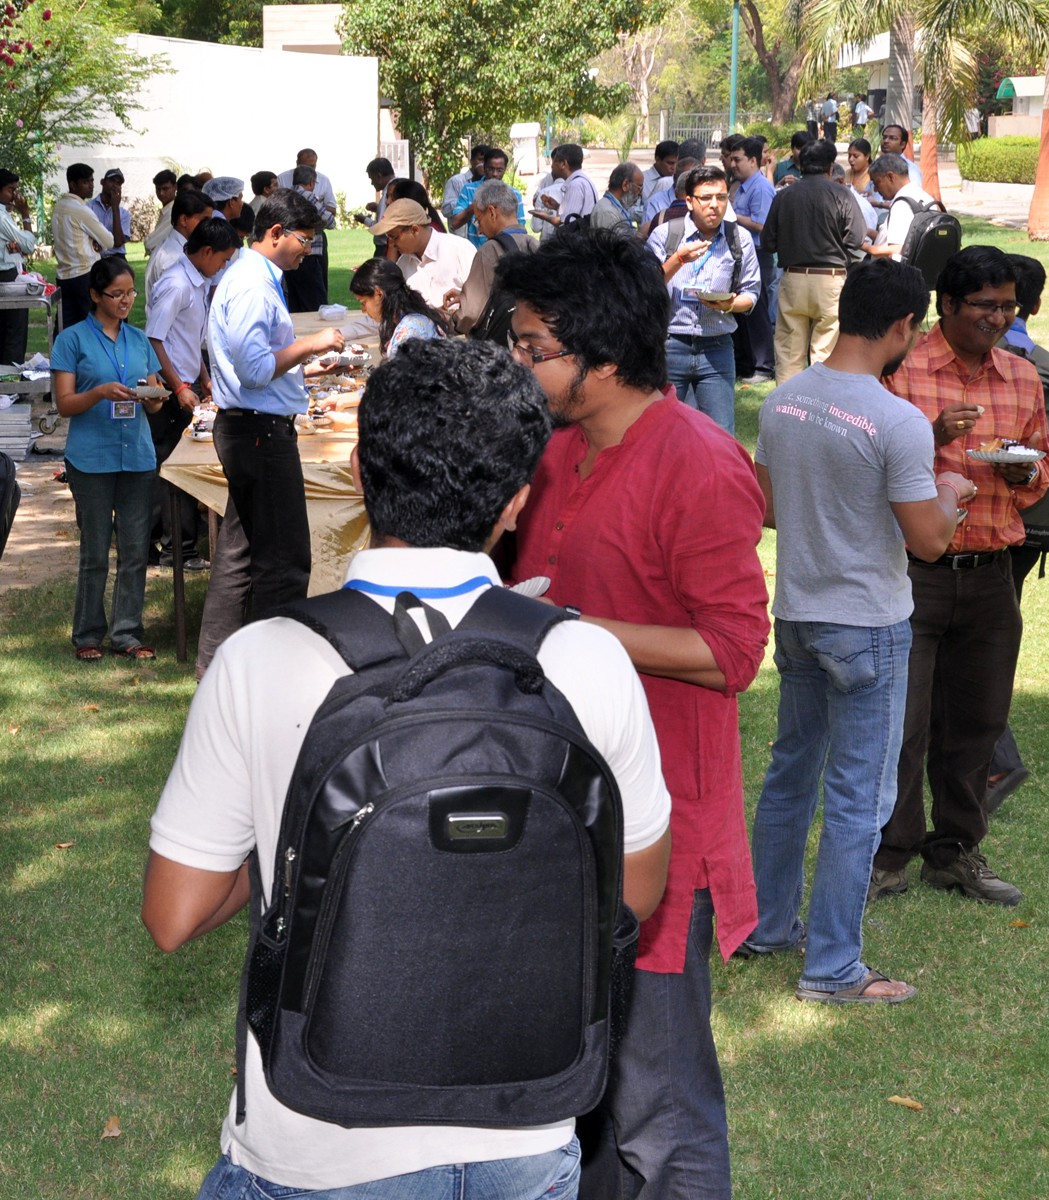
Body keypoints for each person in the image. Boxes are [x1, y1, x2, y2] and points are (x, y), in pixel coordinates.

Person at [143, 337, 672, 1200]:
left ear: (357, 471)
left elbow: (175, 915)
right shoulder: (586, 658)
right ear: (517, 500)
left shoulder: (261, 658)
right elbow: (635, 893)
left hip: (315, 1139)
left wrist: (285, 850)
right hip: (525, 1127)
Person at [504, 226, 769, 1200]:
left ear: (604, 357)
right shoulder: (554, 450)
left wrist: (569, 630)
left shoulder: (699, 462)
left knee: (662, 1108)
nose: (519, 364)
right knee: (581, 1101)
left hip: (656, 826)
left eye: (534, 348)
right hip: (554, 813)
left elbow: (734, 651)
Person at [748, 259, 971, 1007]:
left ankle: (768, 927)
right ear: (904, 327)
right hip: (868, 625)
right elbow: (930, 541)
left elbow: (768, 509)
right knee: (858, 798)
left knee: (790, 776)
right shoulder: (896, 420)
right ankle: (834, 967)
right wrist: (951, 491)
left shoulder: (784, 399)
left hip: (798, 616)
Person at [872, 247, 1049, 908]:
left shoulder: (1021, 375)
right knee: (903, 723)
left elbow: (1044, 463)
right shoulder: (901, 369)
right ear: (947, 304)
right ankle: (890, 856)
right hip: (913, 572)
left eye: (1008, 306)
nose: (999, 318)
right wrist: (929, 435)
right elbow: (869, 463)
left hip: (990, 575)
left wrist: (1025, 469)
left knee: (978, 724)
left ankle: (954, 853)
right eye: (985, 306)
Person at [200, 190, 343, 668]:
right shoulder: (252, 285)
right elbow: (256, 370)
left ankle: (217, 665)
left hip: (251, 428)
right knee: (283, 562)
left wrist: (306, 367)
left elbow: (258, 363)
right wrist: (311, 344)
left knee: (238, 556)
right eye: (305, 240)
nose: (309, 250)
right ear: (276, 233)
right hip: (258, 434)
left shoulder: (256, 277)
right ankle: (270, 672)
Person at [987, 255, 1049, 811]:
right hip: (1036, 524)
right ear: (1039, 303)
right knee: (995, 628)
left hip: (980, 519)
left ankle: (994, 758)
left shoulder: (981, 354)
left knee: (968, 637)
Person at [50, 256, 167, 661]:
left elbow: (154, 395)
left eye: (130, 293)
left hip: (137, 456)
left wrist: (154, 399)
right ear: (95, 295)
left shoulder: (138, 339)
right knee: (95, 550)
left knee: (135, 550)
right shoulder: (71, 340)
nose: (126, 301)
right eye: (116, 294)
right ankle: (87, 634)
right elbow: (65, 404)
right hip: (91, 459)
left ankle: (127, 633)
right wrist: (100, 392)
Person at [146, 217, 241, 569]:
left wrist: (204, 377)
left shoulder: (198, 280)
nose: (224, 267)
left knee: (184, 463)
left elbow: (189, 338)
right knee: (174, 468)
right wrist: (179, 386)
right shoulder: (176, 284)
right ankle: (177, 550)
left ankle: (178, 540)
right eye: (223, 259)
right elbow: (155, 339)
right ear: (206, 251)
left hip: (188, 381)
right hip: (171, 389)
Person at [646, 165, 761, 433]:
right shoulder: (665, 235)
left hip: (717, 346)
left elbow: (751, 293)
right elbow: (646, 287)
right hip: (670, 344)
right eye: (706, 198)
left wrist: (729, 304)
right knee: (662, 430)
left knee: (720, 432)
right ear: (689, 201)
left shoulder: (738, 238)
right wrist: (678, 259)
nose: (714, 205)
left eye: (721, 197)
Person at [760, 138, 866, 382]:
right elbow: (857, 238)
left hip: (794, 278)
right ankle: (822, 402)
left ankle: (788, 403)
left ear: (801, 163)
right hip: (831, 280)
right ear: (830, 166)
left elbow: (767, 242)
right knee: (826, 353)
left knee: (789, 352)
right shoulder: (842, 194)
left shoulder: (784, 196)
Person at [449, 182, 538, 338]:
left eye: (478, 220)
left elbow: (470, 313)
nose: (479, 230)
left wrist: (451, 322)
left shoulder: (489, 250)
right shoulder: (534, 244)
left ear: (491, 212)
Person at [723, 134, 778, 382]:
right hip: (742, 254)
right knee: (743, 311)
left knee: (757, 310)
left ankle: (763, 366)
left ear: (753, 161)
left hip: (758, 253)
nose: (732, 164)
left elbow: (763, 225)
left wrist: (733, 217)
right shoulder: (743, 186)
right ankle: (746, 364)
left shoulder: (761, 188)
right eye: (731, 159)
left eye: (738, 159)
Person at [370, 197, 477, 311]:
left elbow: (481, 298)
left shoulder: (460, 250)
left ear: (415, 230)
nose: (392, 243)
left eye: (394, 237)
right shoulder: (403, 264)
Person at [0, 168, 37, 367]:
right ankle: (10, 380)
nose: (14, 196)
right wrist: (25, 214)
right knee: (15, 333)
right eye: (10, 190)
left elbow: (21, 246)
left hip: (2, 275)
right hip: (9, 276)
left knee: (6, 331)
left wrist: (19, 246)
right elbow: (28, 244)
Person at [51, 163, 115, 328]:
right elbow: (109, 241)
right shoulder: (81, 210)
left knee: (65, 328)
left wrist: (91, 239)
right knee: (94, 326)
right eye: (85, 182)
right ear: (73, 185)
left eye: (92, 181)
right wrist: (94, 240)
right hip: (84, 274)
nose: (91, 185)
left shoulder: (58, 207)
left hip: (64, 276)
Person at [347, 258, 450, 358]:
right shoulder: (414, 318)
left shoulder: (408, 331)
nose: (363, 310)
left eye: (363, 303)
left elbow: (398, 369)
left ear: (379, 294)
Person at [145, 188, 214, 310]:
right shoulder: (172, 258)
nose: (208, 227)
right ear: (184, 220)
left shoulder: (182, 250)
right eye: (204, 220)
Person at [864, 154, 933, 261]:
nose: (876, 189)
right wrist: (866, 231)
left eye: (877, 182)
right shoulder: (927, 198)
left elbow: (896, 249)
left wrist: (865, 247)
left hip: (894, 269)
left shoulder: (901, 204)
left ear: (890, 177)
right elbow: (902, 240)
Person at [283, 165, 333, 312]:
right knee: (315, 303)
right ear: (311, 182)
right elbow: (330, 221)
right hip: (308, 254)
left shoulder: (285, 196)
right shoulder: (308, 196)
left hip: (288, 254)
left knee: (294, 301)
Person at [533, 143, 598, 231]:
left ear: (563, 164)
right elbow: (575, 214)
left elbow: (567, 223)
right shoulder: (584, 180)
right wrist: (558, 207)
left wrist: (543, 215)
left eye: (554, 162)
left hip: (582, 237)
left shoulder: (575, 185)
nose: (552, 166)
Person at [276, 149, 338, 229]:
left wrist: (313, 204)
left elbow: (333, 211)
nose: (309, 170)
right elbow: (276, 208)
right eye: (305, 166)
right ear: (297, 163)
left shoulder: (324, 180)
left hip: (315, 231)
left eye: (312, 166)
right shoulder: (282, 179)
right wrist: (316, 204)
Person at [86, 167, 133, 260]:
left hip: (116, 258)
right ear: (102, 182)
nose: (114, 185)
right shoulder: (89, 207)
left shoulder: (124, 214)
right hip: (94, 257)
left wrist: (115, 208)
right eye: (112, 181)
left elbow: (118, 242)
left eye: (118, 183)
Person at [592, 163, 643, 233]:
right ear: (625, 185)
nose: (640, 194)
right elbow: (618, 240)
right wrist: (640, 235)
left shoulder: (618, 207)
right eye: (639, 188)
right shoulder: (607, 212)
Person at [142, 167, 181, 255]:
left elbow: (150, 244)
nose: (161, 193)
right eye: (158, 189)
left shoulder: (173, 211)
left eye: (165, 189)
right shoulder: (168, 209)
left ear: (175, 187)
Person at [440, 145, 485, 220]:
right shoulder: (456, 181)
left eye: (486, 161)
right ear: (471, 161)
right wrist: (467, 203)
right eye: (480, 160)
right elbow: (446, 210)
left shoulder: (490, 184)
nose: (483, 164)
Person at [363, 156, 395, 254]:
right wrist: (378, 208)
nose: (372, 183)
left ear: (379, 176)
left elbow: (381, 227)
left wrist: (364, 220)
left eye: (372, 179)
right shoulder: (394, 188)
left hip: (385, 247)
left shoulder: (389, 192)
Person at [642, 140, 681, 204]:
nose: (674, 167)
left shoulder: (679, 180)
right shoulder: (642, 180)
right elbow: (633, 208)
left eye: (677, 163)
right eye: (670, 163)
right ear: (658, 160)